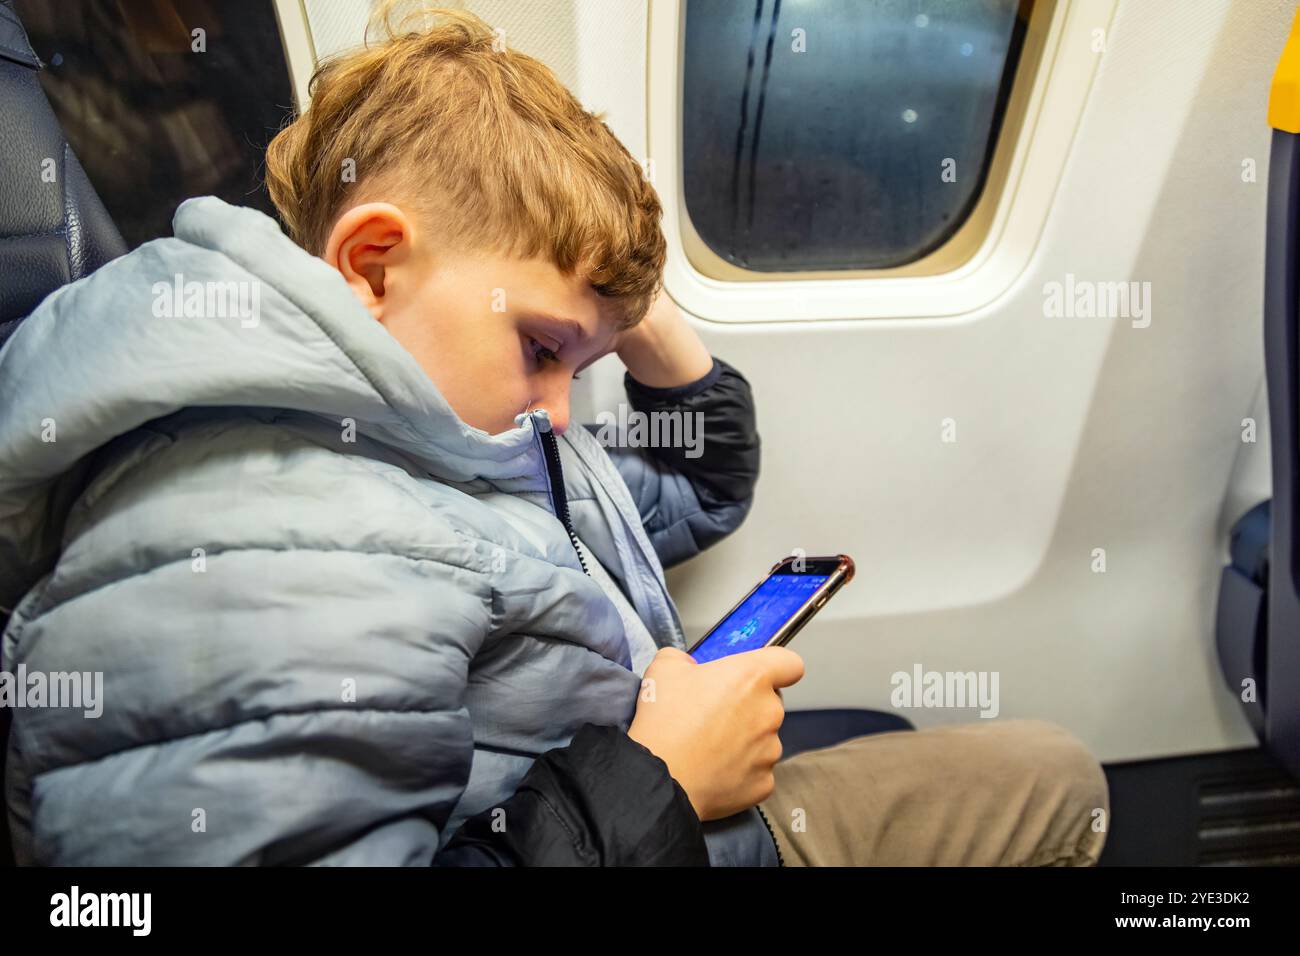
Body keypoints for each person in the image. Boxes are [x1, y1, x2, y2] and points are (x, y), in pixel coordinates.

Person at [0, 4, 1107, 866]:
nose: (564, 411)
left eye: (578, 365)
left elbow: (696, 493)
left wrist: (630, 321)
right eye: (541, 346)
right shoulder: (242, 550)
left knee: (1051, 768)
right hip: (654, 827)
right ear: (372, 264)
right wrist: (658, 779)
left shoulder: (435, 425)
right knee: (1064, 785)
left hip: (647, 816)